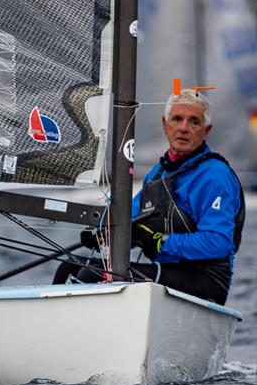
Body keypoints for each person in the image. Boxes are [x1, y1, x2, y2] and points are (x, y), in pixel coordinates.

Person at [54, 90, 244, 305]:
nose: (184, 127)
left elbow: (218, 242)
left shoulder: (215, 176)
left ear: (206, 130)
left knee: (93, 275)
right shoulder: (157, 174)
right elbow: (128, 221)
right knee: (69, 266)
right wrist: (103, 234)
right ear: (165, 124)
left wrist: (157, 242)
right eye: (177, 119)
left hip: (204, 280)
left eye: (194, 122)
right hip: (166, 272)